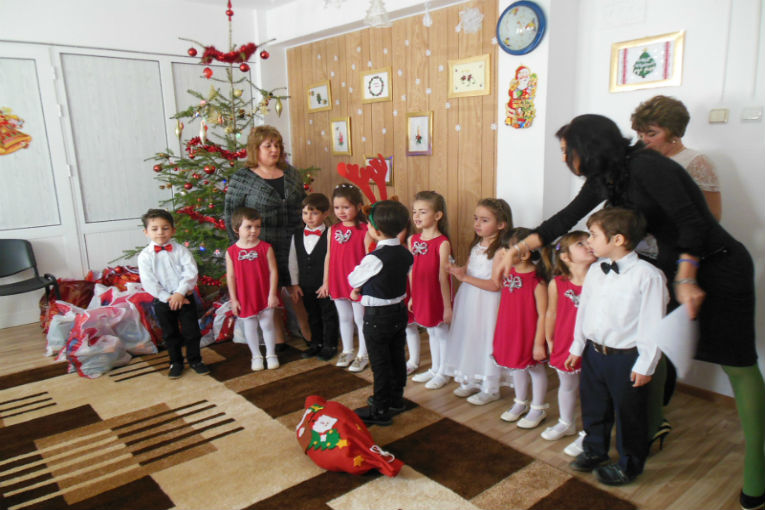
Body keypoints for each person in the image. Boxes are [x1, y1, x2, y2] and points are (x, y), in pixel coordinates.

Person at [500, 114, 764, 507]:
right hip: (676, 269)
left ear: (587, 148)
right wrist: (517, 248)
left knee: (738, 365)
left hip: (718, 267)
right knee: (655, 350)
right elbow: (565, 219)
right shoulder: (607, 177)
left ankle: (758, 473)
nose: (564, 158)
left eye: (566, 150)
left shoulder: (648, 166)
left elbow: (694, 223)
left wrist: (687, 275)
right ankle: (647, 432)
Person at [564, 208, 667, 486]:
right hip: (595, 353)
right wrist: (577, 346)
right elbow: (584, 311)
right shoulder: (596, 270)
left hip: (627, 358)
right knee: (594, 406)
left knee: (629, 414)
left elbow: (653, 325)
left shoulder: (648, 276)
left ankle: (629, 464)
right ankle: (595, 450)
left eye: (593, 236)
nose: (588, 242)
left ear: (618, 239)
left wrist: (646, 364)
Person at [223, 125, 307, 348]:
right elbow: (230, 215)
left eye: (277, 145)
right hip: (260, 243)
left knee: (298, 289)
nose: (274, 150)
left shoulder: (291, 174)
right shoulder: (242, 178)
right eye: (268, 145)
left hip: (294, 240)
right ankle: (278, 341)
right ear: (255, 149)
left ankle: (310, 335)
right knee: (269, 290)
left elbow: (304, 205)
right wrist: (240, 248)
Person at [348, 200, 414, 426]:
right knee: (396, 357)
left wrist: (358, 288)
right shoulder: (405, 253)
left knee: (380, 363)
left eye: (368, 224)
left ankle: (380, 409)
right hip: (398, 312)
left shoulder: (374, 258)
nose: (366, 227)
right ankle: (396, 399)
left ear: (376, 231)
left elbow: (353, 279)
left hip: (378, 317)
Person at [444, 198, 513, 404]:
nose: (477, 224)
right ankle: (472, 378)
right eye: (476, 219)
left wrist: (464, 278)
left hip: (488, 302)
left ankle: (490, 387)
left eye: (484, 220)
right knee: (471, 337)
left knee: (487, 339)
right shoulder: (477, 245)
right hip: (470, 299)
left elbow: (495, 284)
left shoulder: (501, 251)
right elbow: (469, 269)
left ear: (501, 224)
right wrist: (457, 270)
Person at [541, 231, 597, 453]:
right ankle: (566, 422)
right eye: (580, 243)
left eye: (588, 240)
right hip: (565, 340)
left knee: (591, 389)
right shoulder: (557, 283)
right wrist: (549, 338)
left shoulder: (600, 281)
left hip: (591, 343)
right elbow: (551, 313)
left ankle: (590, 432)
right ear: (565, 257)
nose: (588, 244)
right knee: (567, 384)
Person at [137, 209, 210, 379]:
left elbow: (190, 272)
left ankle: (195, 360)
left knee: (192, 332)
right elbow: (149, 282)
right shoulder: (145, 256)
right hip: (163, 301)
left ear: (173, 230)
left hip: (185, 298)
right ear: (146, 232)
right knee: (170, 334)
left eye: (165, 228)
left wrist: (180, 293)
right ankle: (175, 362)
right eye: (154, 229)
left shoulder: (181, 251)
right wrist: (168, 297)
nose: (160, 232)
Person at [631, 95, 722, 220]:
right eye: (640, 135)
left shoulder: (696, 162)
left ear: (674, 133)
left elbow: (713, 215)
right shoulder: (641, 160)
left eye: (651, 134)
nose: (644, 140)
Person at [493, 227, 549, 429]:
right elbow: (495, 279)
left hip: (529, 334)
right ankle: (520, 402)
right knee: (517, 366)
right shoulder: (509, 272)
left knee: (535, 368)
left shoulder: (537, 282)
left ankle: (538, 407)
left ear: (524, 254)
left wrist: (539, 343)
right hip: (510, 330)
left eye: (508, 250)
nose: (503, 253)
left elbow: (543, 314)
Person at [318, 183, 372, 372]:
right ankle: (347, 350)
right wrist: (326, 281)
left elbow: (369, 260)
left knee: (360, 319)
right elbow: (329, 255)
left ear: (358, 206)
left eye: (346, 207)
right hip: (337, 280)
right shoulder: (333, 229)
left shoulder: (366, 230)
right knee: (344, 317)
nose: (341, 211)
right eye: (337, 207)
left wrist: (362, 284)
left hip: (357, 284)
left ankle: (363, 354)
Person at [408, 191, 453, 389]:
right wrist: (412, 296)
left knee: (441, 332)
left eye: (422, 212)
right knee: (430, 332)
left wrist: (447, 306)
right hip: (421, 293)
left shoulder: (442, 242)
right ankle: (435, 369)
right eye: (414, 211)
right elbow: (412, 270)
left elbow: (443, 276)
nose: (417, 216)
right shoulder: (413, 239)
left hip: (436, 295)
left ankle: (445, 371)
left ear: (437, 215)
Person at [226, 207, 280, 371]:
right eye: (248, 227)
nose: (254, 230)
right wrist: (234, 299)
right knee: (250, 327)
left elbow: (273, 271)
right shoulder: (231, 252)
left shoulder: (266, 248)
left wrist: (272, 294)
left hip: (264, 294)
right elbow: (231, 277)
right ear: (237, 229)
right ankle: (256, 355)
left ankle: (271, 354)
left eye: (257, 227)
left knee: (267, 324)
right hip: (245, 296)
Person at [287, 193, 340, 360]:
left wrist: (328, 283)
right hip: (305, 284)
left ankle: (330, 345)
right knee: (312, 315)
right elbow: (293, 261)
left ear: (326, 214)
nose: (309, 217)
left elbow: (333, 261)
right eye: (305, 213)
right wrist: (295, 284)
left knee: (328, 315)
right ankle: (316, 343)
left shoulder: (331, 234)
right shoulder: (297, 235)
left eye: (314, 213)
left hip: (325, 285)